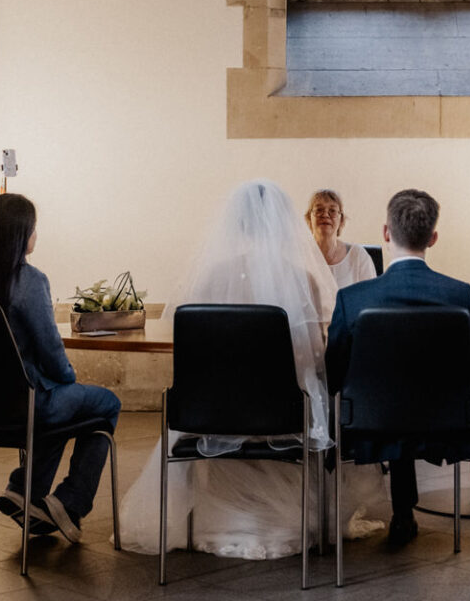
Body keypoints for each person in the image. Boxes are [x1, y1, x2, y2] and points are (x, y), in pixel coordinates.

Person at [118, 179, 388, 558]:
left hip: (214, 415)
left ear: (237, 225)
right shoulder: (304, 280)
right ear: (284, 225)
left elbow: (195, 354)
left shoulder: (211, 277)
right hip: (281, 416)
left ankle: (215, 509)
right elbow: (313, 357)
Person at [0, 193, 120, 543]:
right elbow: (51, 352)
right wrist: (69, 380)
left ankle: (24, 491)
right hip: (25, 405)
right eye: (33, 228)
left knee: (61, 408)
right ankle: (70, 503)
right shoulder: (30, 281)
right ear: (21, 234)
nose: (36, 234)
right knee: (105, 403)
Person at [325, 188, 470, 553]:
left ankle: (401, 513)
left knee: (392, 399)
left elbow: (334, 370)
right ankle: (403, 513)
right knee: (409, 398)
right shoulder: (460, 294)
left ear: (385, 233)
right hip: (443, 420)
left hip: (369, 420)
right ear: (434, 238)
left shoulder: (353, 299)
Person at [305, 188, 377, 286]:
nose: (325, 215)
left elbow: (370, 298)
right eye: (319, 210)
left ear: (341, 219)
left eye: (332, 210)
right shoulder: (298, 256)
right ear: (309, 218)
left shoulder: (358, 257)